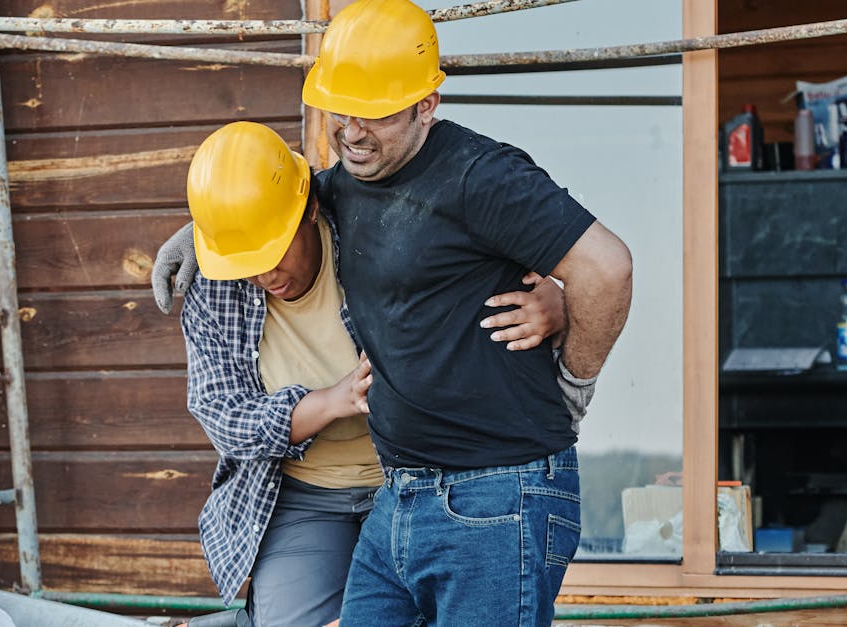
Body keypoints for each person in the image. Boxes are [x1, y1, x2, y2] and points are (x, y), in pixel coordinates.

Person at [300, 0, 633, 624]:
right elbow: (289, 200)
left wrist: (575, 380)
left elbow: (606, 269)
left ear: (428, 104)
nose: (351, 129)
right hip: (398, 498)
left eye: (375, 113)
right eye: (340, 108)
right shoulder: (345, 183)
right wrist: (197, 231)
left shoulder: (480, 175)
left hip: (497, 496)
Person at [174, 121, 574, 627]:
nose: (262, 274)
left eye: (272, 252)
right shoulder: (215, 287)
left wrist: (559, 299)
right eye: (242, 261)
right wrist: (328, 402)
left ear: (310, 209)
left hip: (416, 476)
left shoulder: (371, 222)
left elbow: (468, 266)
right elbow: (223, 418)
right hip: (304, 492)